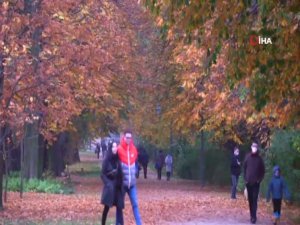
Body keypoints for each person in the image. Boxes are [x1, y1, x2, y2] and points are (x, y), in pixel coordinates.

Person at [117, 130, 142, 225]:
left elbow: (135, 162)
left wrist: (136, 171)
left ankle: (139, 223)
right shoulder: (119, 149)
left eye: (130, 138)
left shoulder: (134, 149)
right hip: (122, 184)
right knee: (120, 205)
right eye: (127, 137)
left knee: (135, 204)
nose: (128, 139)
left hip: (132, 184)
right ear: (124, 137)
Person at [100, 142, 124, 225]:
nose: (115, 148)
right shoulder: (106, 159)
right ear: (110, 148)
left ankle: (120, 223)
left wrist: (121, 184)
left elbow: (121, 173)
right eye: (113, 147)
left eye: (116, 146)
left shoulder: (118, 159)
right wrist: (108, 183)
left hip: (117, 186)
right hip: (110, 187)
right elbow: (102, 174)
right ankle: (103, 223)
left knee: (120, 207)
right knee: (106, 207)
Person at [243, 142, 265, 224]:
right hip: (248, 182)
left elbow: (263, 171)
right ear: (251, 147)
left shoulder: (259, 159)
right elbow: (244, 168)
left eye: (255, 147)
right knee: (250, 200)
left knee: (254, 200)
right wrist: (245, 179)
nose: (254, 148)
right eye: (253, 146)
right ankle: (251, 215)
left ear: (257, 148)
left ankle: (254, 217)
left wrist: (259, 180)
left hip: (256, 183)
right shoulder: (247, 157)